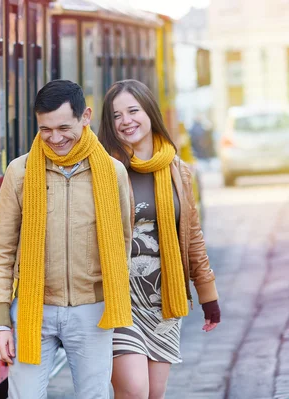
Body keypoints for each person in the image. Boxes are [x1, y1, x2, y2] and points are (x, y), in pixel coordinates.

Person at [0, 79, 133, 399]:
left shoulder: (113, 172)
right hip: (32, 309)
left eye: (64, 127)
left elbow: (123, 242)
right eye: (45, 130)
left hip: (92, 311)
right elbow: (0, 250)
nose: (55, 138)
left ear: (86, 117)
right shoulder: (20, 171)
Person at [98, 79, 221, 399]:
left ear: (150, 113)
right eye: (116, 116)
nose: (126, 121)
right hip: (118, 300)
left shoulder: (177, 170)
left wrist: (208, 294)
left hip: (164, 301)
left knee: (154, 393)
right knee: (135, 391)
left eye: (133, 111)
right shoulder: (102, 170)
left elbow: (192, 234)